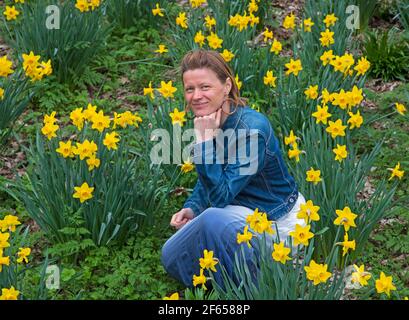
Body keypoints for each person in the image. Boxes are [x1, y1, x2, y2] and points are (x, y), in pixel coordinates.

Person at [161, 49, 306, 289]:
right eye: (190, 89)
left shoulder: (252, 130)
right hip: (237, 214)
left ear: (226, 86)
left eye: (205, 87)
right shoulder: (212, 118)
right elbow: (213, 177)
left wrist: (204, 143)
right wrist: (193, 207)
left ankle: (259, 290)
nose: (196, 96)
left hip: (276, 223)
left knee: (211, 219)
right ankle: (225, 291)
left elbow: (219, 197)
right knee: (172, 253)